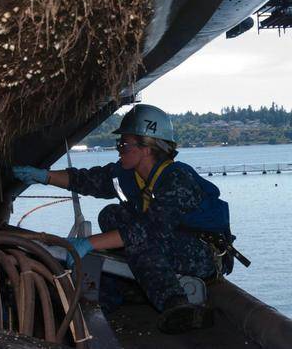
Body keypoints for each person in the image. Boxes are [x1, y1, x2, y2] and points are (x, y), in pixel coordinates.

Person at [13, 104, 233, 334]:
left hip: (202, 253)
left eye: (124, 144)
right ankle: (126, 288)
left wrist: (89, 243)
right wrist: (44, 176)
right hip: (168, 243)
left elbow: (150, 229)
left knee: (140, 239)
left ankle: (176, 304)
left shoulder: (177, 178)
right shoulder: (129, 174)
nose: (119, 149)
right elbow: (89, 180)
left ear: (147, 147)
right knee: (111, 215)